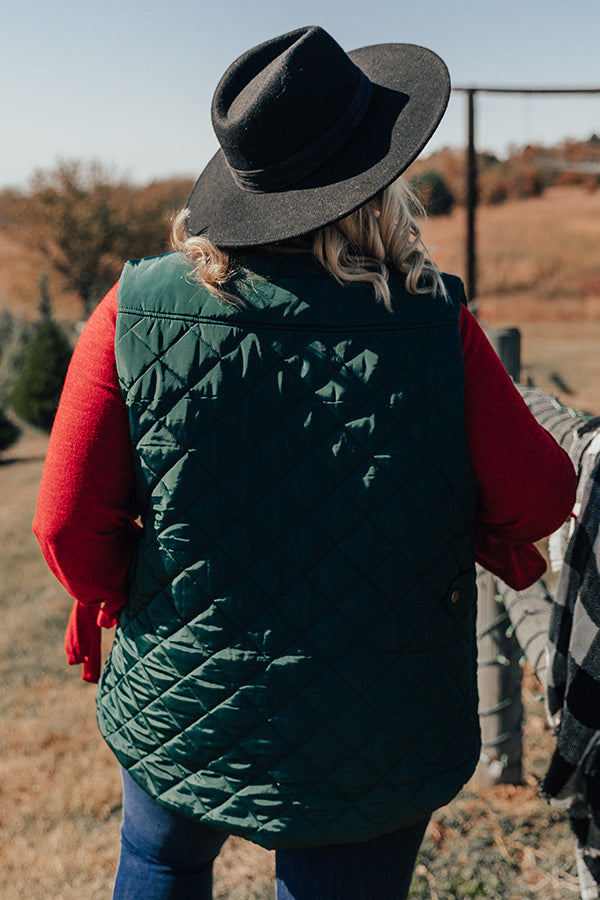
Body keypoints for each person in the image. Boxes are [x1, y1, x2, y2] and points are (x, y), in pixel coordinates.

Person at [34, 25, 576, 900]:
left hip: (183, 684)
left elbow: (63, 518)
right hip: (377, 715)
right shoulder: (432, 322)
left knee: (160, 864)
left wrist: (119, 595)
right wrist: (450, 518)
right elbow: (543, 495)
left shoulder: (135, 307)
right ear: (375, 186)